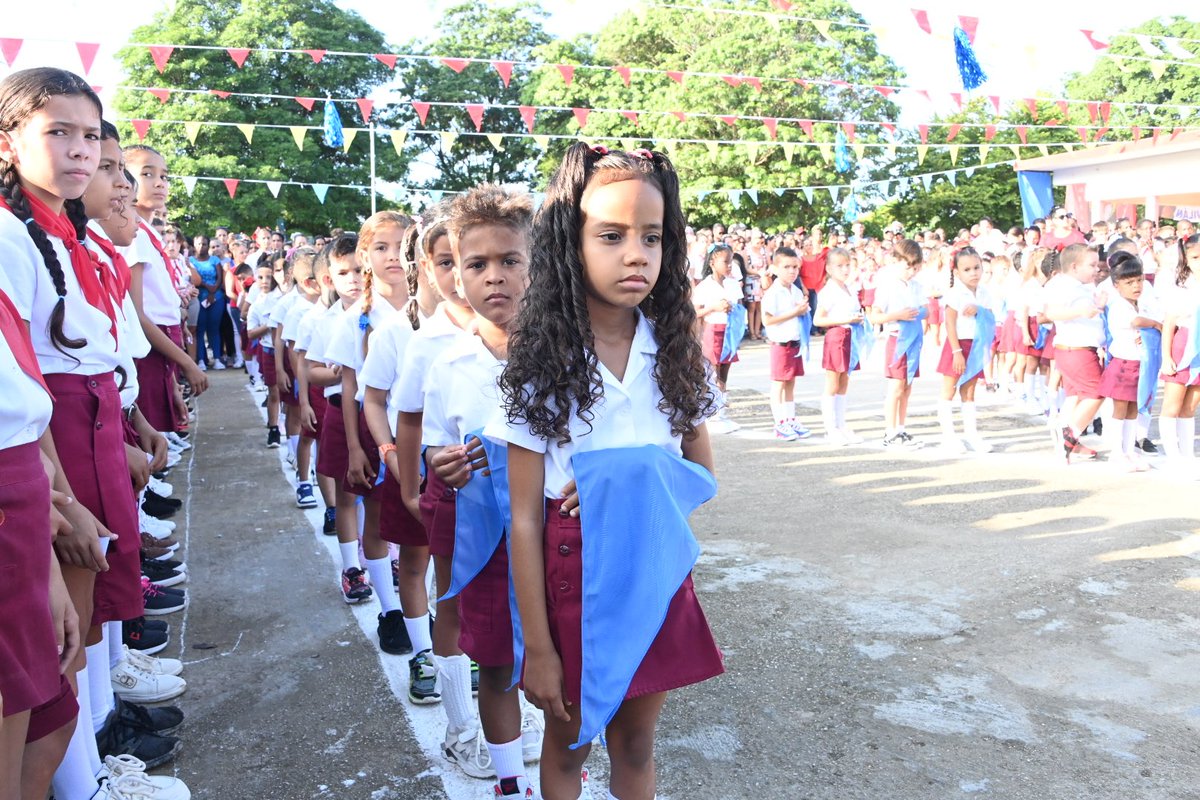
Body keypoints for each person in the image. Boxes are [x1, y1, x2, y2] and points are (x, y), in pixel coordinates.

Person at [496, 144, 723, 800]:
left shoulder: (678, 353)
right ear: (570, 242)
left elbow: (699, 477)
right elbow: (523, 517)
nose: (636, 255)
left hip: (655, 572)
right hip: (572, 578)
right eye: (612, 235)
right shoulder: (538, 365)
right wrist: (538, 648)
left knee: (636, 742)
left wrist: (622, 479)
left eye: (652, 237)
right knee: (568, 747)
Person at [422, 185, 543, 792]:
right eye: (476, 265)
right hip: (488, 543)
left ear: (536, 264)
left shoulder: (568, 359)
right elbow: (435, 443)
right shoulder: (447, 366)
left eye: (510, 260)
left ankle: (561, 766)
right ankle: (508, 780)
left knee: (563, 663)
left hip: (557, 542)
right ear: (458, 277)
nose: (494, 277)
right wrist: (439, 462)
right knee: (495, 666)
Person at [391, 211, 475, 710]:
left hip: (516, 490)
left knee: (515, 599)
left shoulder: (529, 330)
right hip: (452, 490)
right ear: (427, 266)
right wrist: (408, 487)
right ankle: (460, 721)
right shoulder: (426, 340)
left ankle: (510, 709)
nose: (464, 276)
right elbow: (407, 417)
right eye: (448, 262)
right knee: (455, 600)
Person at [324, 212, 413, 611]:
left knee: (416, 523)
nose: (393, 256)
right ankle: (390, 610)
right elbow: (349, 385)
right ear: (365, 254)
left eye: (401, 246)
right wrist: (357, 449)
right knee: (375, 518)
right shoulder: (356, 317)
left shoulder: (430, 307)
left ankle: (413, 600)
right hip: (374, 428)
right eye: (381, 247)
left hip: (421, 430)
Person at [1043, 244, 1106, 462]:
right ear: (1074, 266)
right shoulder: (1063, 285)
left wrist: (1098, 306)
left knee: (1076, 395)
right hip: (1076, 349)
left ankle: (1070, 441)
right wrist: (1080, 311)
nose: (1096, 269)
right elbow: (1050, 312)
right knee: (1096, 393)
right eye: (1091, 265)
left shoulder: (1082, 285)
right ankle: (1069, 436)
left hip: (1078, 348)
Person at [1100, 252, 1161, 472]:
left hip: (1139, 365)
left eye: (1139, 280)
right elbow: (1135, 322)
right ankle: (1117, 453)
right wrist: (1155, 324)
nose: (1136, 286)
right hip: (1123, 364)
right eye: (1129, 282)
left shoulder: (1140, 304)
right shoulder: (1118, 306)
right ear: (1117, 285)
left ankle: (1129, 451)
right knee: (1120, 409)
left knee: (1134, 409)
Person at [935, 248, 995, 454]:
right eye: (967, 269)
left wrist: (979, 309)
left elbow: (990, 317)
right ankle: (948, 436)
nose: (973, 273)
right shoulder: (954, 293)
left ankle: (972, 435)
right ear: (957, 272)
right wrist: (956, 351)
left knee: (969, 391)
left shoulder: (984, 292)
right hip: (958, 345)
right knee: (949, 390)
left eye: (977, 267)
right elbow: (949, 324)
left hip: (976, 345)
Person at [870, 239, 925, 448]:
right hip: (897, 338)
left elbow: (925, 308)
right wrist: (897, 315)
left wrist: (919, 312)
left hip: (914, 339)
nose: (911, 271)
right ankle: (890, 431)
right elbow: (875, 316)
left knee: (907, 386)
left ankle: (901, 428)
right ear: (896, 261)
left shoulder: (917, 285)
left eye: (915, 267)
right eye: (907, 266)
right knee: (896, 386)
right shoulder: (888, 286)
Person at [814, 247, 866, 445]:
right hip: (837, 336)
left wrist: (858, 319)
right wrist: (846, 319)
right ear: (828, 268)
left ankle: (841, 424)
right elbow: (818, 319)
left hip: (851, 336)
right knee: (833, 383)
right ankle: (831, 428)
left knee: (844, 382)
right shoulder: (828, 291)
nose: (845, 270)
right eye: (839, 266)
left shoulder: (849, 288)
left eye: (847, 265)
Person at [760, 247, 811, 440]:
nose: (792, 271)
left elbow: (800, 312)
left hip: (795, 343)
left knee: (790, 382)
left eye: (795, 267)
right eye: (787, 267)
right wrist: (795, 312)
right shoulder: (773, 293)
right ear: (775, 268)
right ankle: (780, 422)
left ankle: (790, 418)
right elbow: (768, 320)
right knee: (779, 384)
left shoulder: (795, 290)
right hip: (780, 344)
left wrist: (803, 310)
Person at [692, 243, 744, 434]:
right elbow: (696, 312)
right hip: (713, 330)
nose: (730, 266)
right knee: (712, 371)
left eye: (731, 262)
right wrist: (714, 307)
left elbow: (739, 307)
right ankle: (712, 412)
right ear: (713, 262)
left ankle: (721, 413)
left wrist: (731, 308)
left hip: (729, 331)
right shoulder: (705, 286)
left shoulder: (732, 284)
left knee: (724, 371)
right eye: (726, 262)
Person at [1158, 233, 1200, 466]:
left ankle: (1187, 455)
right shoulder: (1181, 287)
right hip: (1183, 344)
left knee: (1190, 405)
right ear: (1186, 259)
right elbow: (1169, 324)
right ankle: (1173, 456)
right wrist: (1166, 357)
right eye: (1195, 257)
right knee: (1173, 404)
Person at [188, 234, 225, 369]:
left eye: (204, 244)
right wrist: (205, 286)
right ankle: (201, 360)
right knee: (199, 329)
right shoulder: (190, 260)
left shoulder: (214, 260)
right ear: (194, 245)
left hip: (216, 297)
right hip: (199, 298)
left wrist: (213, 290)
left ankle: (217, 358)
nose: (201, 246)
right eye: (198, 244)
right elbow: (192, 279)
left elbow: (219, 278)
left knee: (214, 329)